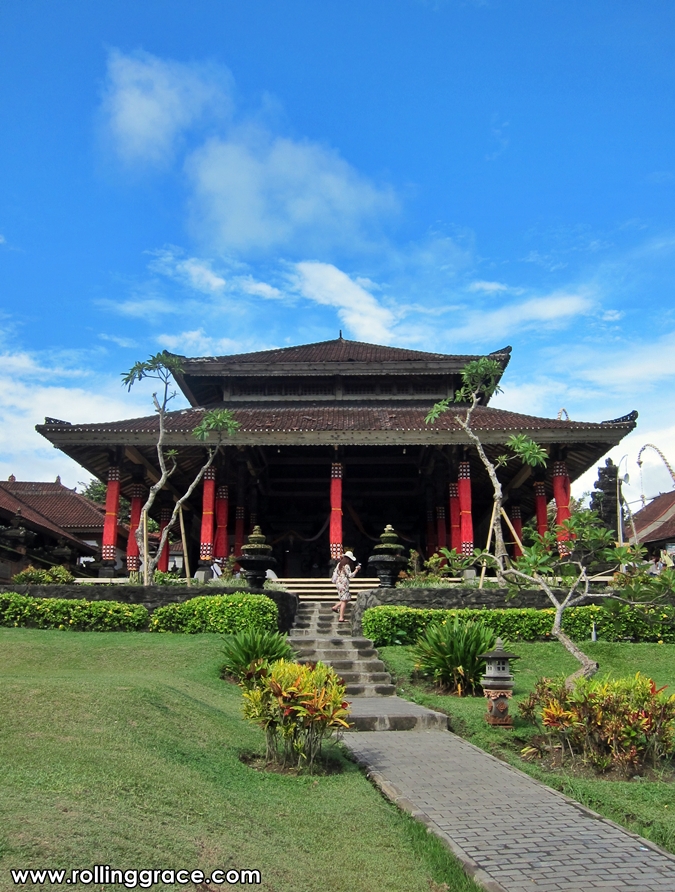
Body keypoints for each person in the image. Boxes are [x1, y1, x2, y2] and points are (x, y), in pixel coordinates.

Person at [331, 551, 361, 623]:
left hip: (338, 582)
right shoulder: (346, 566)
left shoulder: (339, 564)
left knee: (346, 598)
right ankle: (341, 617)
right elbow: (350, 575)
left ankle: (336, 607)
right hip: (344, 583)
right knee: (344, 600)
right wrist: (356, 570)